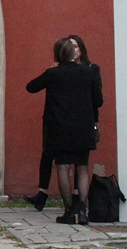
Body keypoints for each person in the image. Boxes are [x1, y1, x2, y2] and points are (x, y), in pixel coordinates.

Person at [25, 37, 104, 224]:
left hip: (60, 128)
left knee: (63, 167)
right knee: (82, 168)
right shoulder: (88, 72)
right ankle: (82, 210)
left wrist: (51, 71)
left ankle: (68, 211)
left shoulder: (53, 73)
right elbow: (98, 101)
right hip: (83, 127)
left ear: (59, 54)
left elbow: (31, 87)